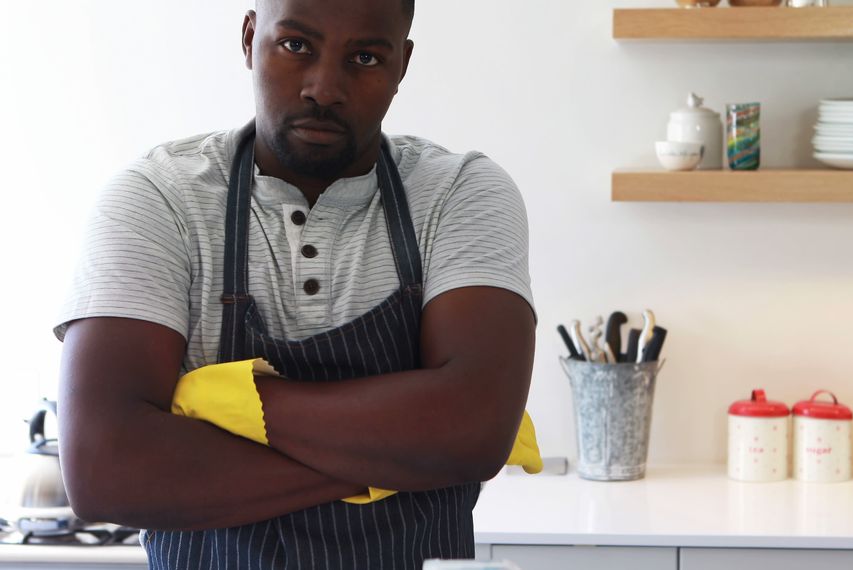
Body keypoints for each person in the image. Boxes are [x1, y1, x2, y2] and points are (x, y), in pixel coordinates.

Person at [53, 0, 537, 568]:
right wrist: (401, 454)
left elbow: (473, 432)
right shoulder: (159, 200)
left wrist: (228, 403)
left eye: (364, 56)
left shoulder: (461, 193)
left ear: (402, 64)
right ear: (250, 37)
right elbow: (104, 473)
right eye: (296, 46)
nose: (325, 87)